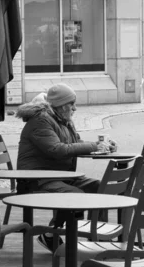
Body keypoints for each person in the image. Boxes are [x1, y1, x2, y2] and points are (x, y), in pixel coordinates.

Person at [15, 83, 117, 252]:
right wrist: (94, 146)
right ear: (61, 106)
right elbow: (57, 149)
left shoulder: (62, 119)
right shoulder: (40, 121)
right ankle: (52, 234)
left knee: (100, 187)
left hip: (60, 176)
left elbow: (74, 144)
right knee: (74, 195)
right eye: (72, 104)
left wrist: (102, 145)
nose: (75, 108)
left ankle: (95, 236)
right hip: (37, 179)